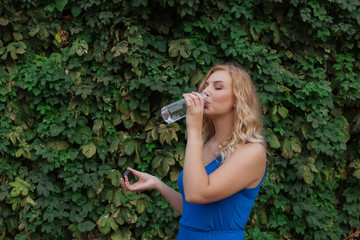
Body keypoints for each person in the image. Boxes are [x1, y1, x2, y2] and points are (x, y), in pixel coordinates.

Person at [120, 63, 267, 239]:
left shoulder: (252, 151)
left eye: (218, 87)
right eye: (206, 86)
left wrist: (194, 131)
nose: (206, 92)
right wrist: (157, 183)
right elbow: (192, 210)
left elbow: (197, 193)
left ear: (237, 100)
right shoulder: (205, 143)